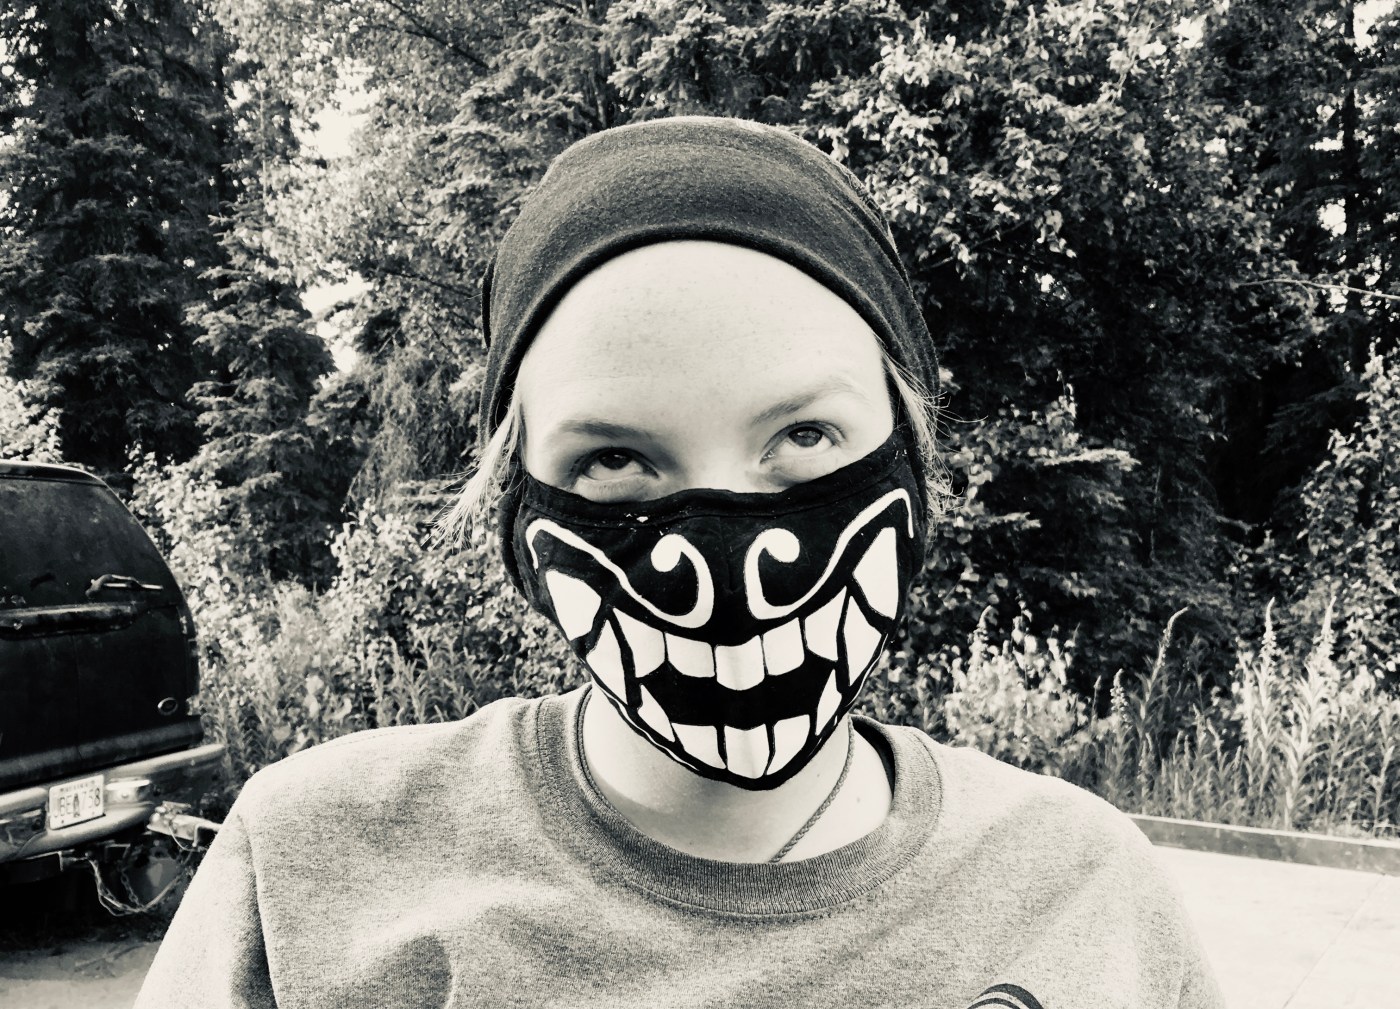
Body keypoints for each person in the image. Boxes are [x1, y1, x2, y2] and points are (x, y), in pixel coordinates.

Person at [135, 117, 1223, 1008]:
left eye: (804, 436)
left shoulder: (1082, 890)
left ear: (911, 455)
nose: (724, 562)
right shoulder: (311, 868)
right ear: (515, 507)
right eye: (613, 459)